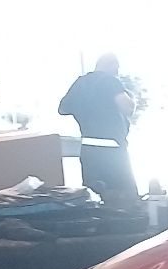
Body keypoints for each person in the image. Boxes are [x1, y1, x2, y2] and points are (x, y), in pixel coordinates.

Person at [58, 52, 138, 206]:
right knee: (126, 198)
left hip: (88, 150)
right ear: (111, 65)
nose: (117, 72)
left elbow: (63, 109)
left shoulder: (80, 83)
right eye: (116, 68)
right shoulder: (110, 81)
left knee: (94, 199)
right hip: (112, 150)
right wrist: (131, 97)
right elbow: (128, 108)